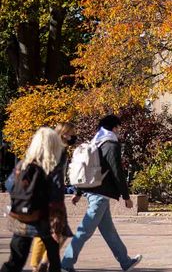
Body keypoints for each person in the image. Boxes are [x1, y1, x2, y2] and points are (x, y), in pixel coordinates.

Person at [61, 115, 142, 272]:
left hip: (94, 191)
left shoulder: (96, 141)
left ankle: (125, 262)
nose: (119, 131)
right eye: (118, 127)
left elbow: (88, 169)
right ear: (114, 127)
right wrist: (126, 196)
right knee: (84, 230)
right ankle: (66, 263)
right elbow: (116, 171)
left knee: (109, 231)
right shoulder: (110, 144)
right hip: (100, 194)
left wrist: (78, 192)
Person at [1, 127, 66, 272]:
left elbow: (9, 185)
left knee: (15, 261)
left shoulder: (23, 164)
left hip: (21, 217)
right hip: (44, 219)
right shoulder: (52, 167)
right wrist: (58, 225)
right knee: (54, 260)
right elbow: (56, 198)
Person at [31, 123, 78, 272]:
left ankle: (42, 263)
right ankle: (38, 265)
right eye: (71, 133)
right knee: (52, 232)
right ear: (64, 134)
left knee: (57, 232)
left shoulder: (56, 149)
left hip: (51, 196)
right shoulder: (55, 150)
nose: (73, 136)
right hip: (50, 197)